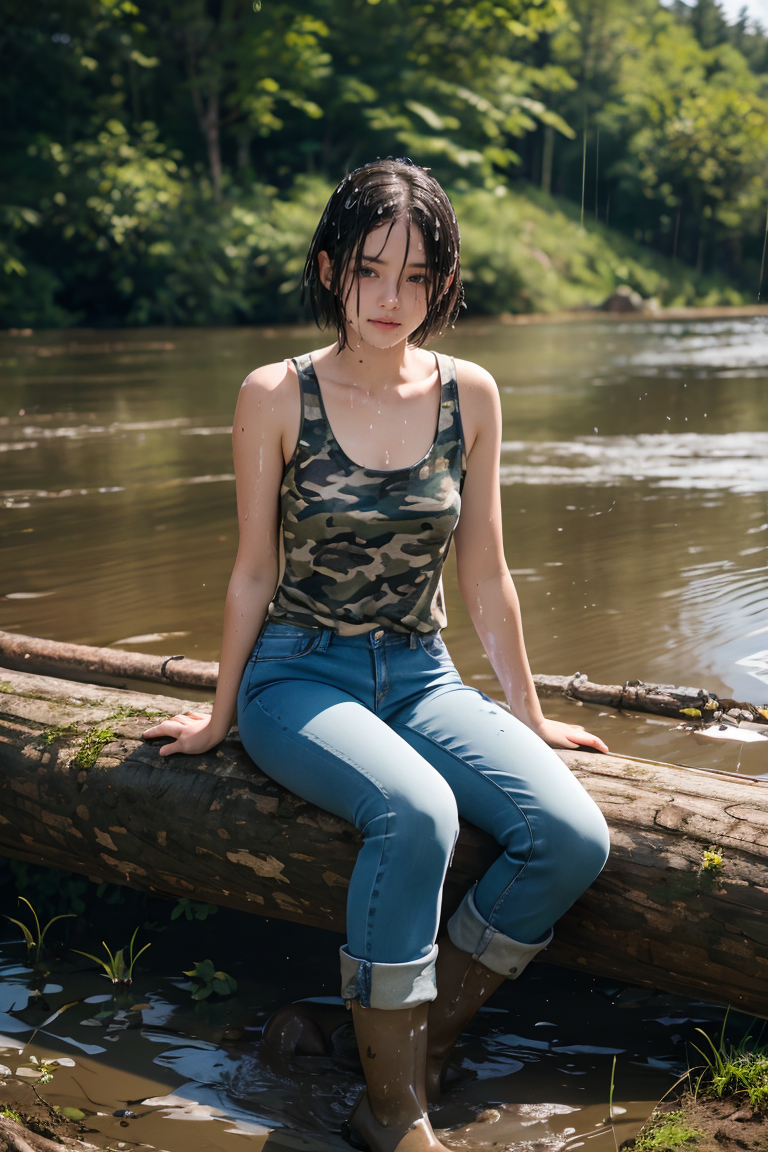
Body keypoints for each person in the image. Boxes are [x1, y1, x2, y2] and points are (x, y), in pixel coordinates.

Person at [143, 157, 611, 1152]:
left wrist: (528, 714)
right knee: (417, 814)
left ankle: (405, 1042)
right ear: (330, 269)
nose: (390, 298)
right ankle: (391, 1108)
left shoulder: (470, 395)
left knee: (573, 836)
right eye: (368, 271)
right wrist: (221, 716)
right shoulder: (278, 394)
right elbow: (249, 572)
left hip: (423, 675)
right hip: (298, 677)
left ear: (442, 283)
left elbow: (485, 573)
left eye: (415, 275)